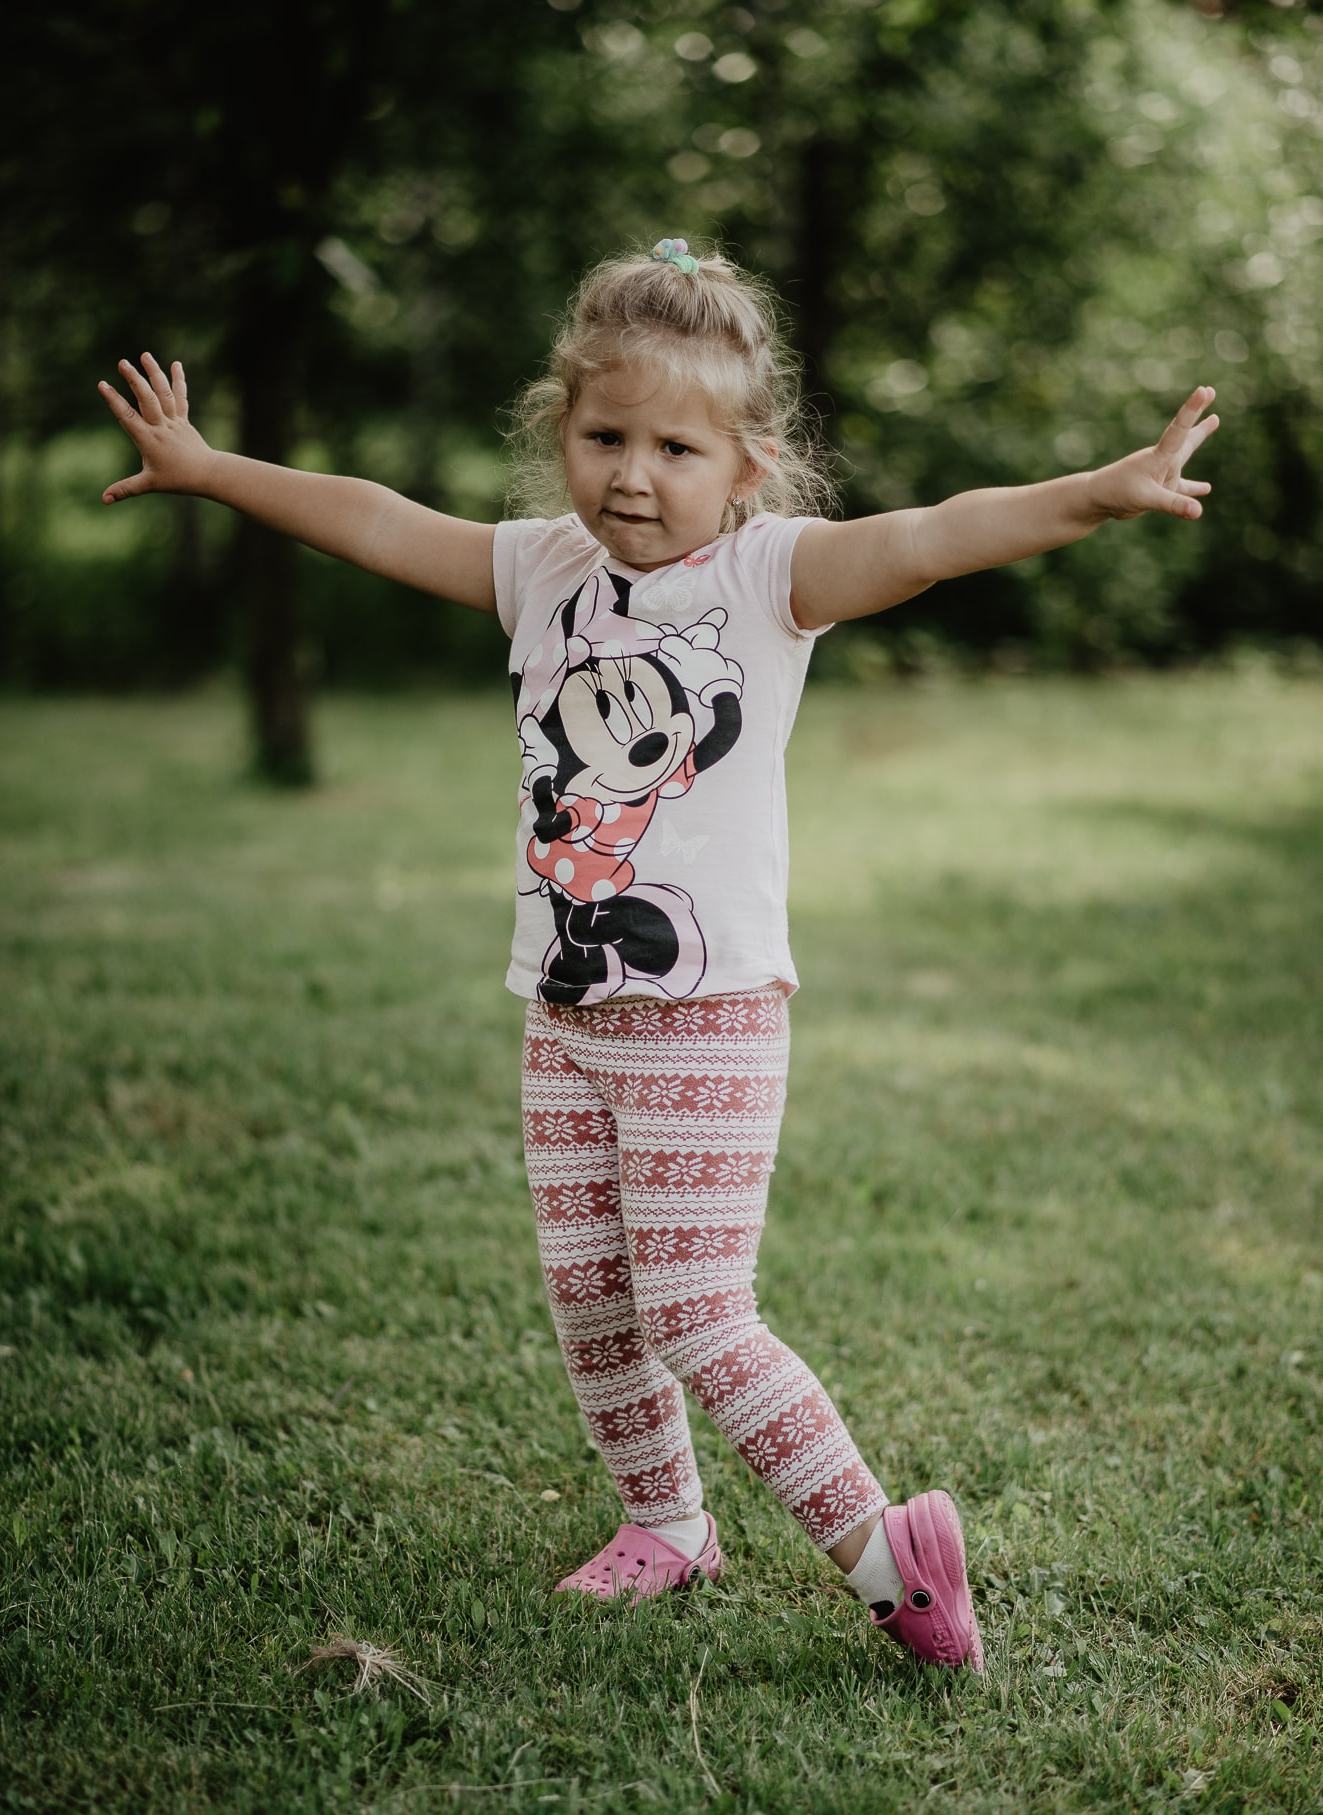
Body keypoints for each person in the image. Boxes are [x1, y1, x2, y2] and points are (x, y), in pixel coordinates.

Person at [98, 235, 1217, 1673]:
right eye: (604, 437)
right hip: (567, 1016)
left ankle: (892, 1558)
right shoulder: (541, 569)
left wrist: (1096, 494)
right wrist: (213, 469)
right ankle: (667, 1523)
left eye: (676, 448)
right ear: (559, 433)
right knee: (593, 1301)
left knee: (696, 1310)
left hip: (707, 1016)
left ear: (748, 465)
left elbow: (939, 532)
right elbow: (375, 517)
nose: (633, 475)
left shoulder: (773, 579)